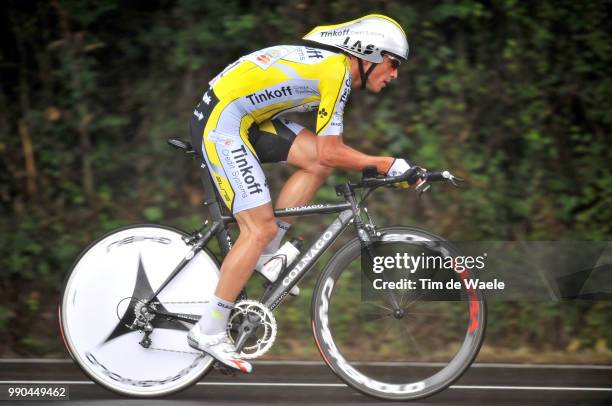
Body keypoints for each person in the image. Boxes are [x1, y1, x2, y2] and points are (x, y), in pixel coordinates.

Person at [188, 14, 413, 373]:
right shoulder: (336, 74)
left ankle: (268, 254)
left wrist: (382, 165)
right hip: (223, 120)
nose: (395, 74)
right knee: (256, 227)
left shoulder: (337, 71)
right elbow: (331, 149)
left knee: (318, 165)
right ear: (369, 55)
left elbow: (325, 155)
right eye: (392, 63)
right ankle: (209, 329)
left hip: (247, 115)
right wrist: (386, 163)